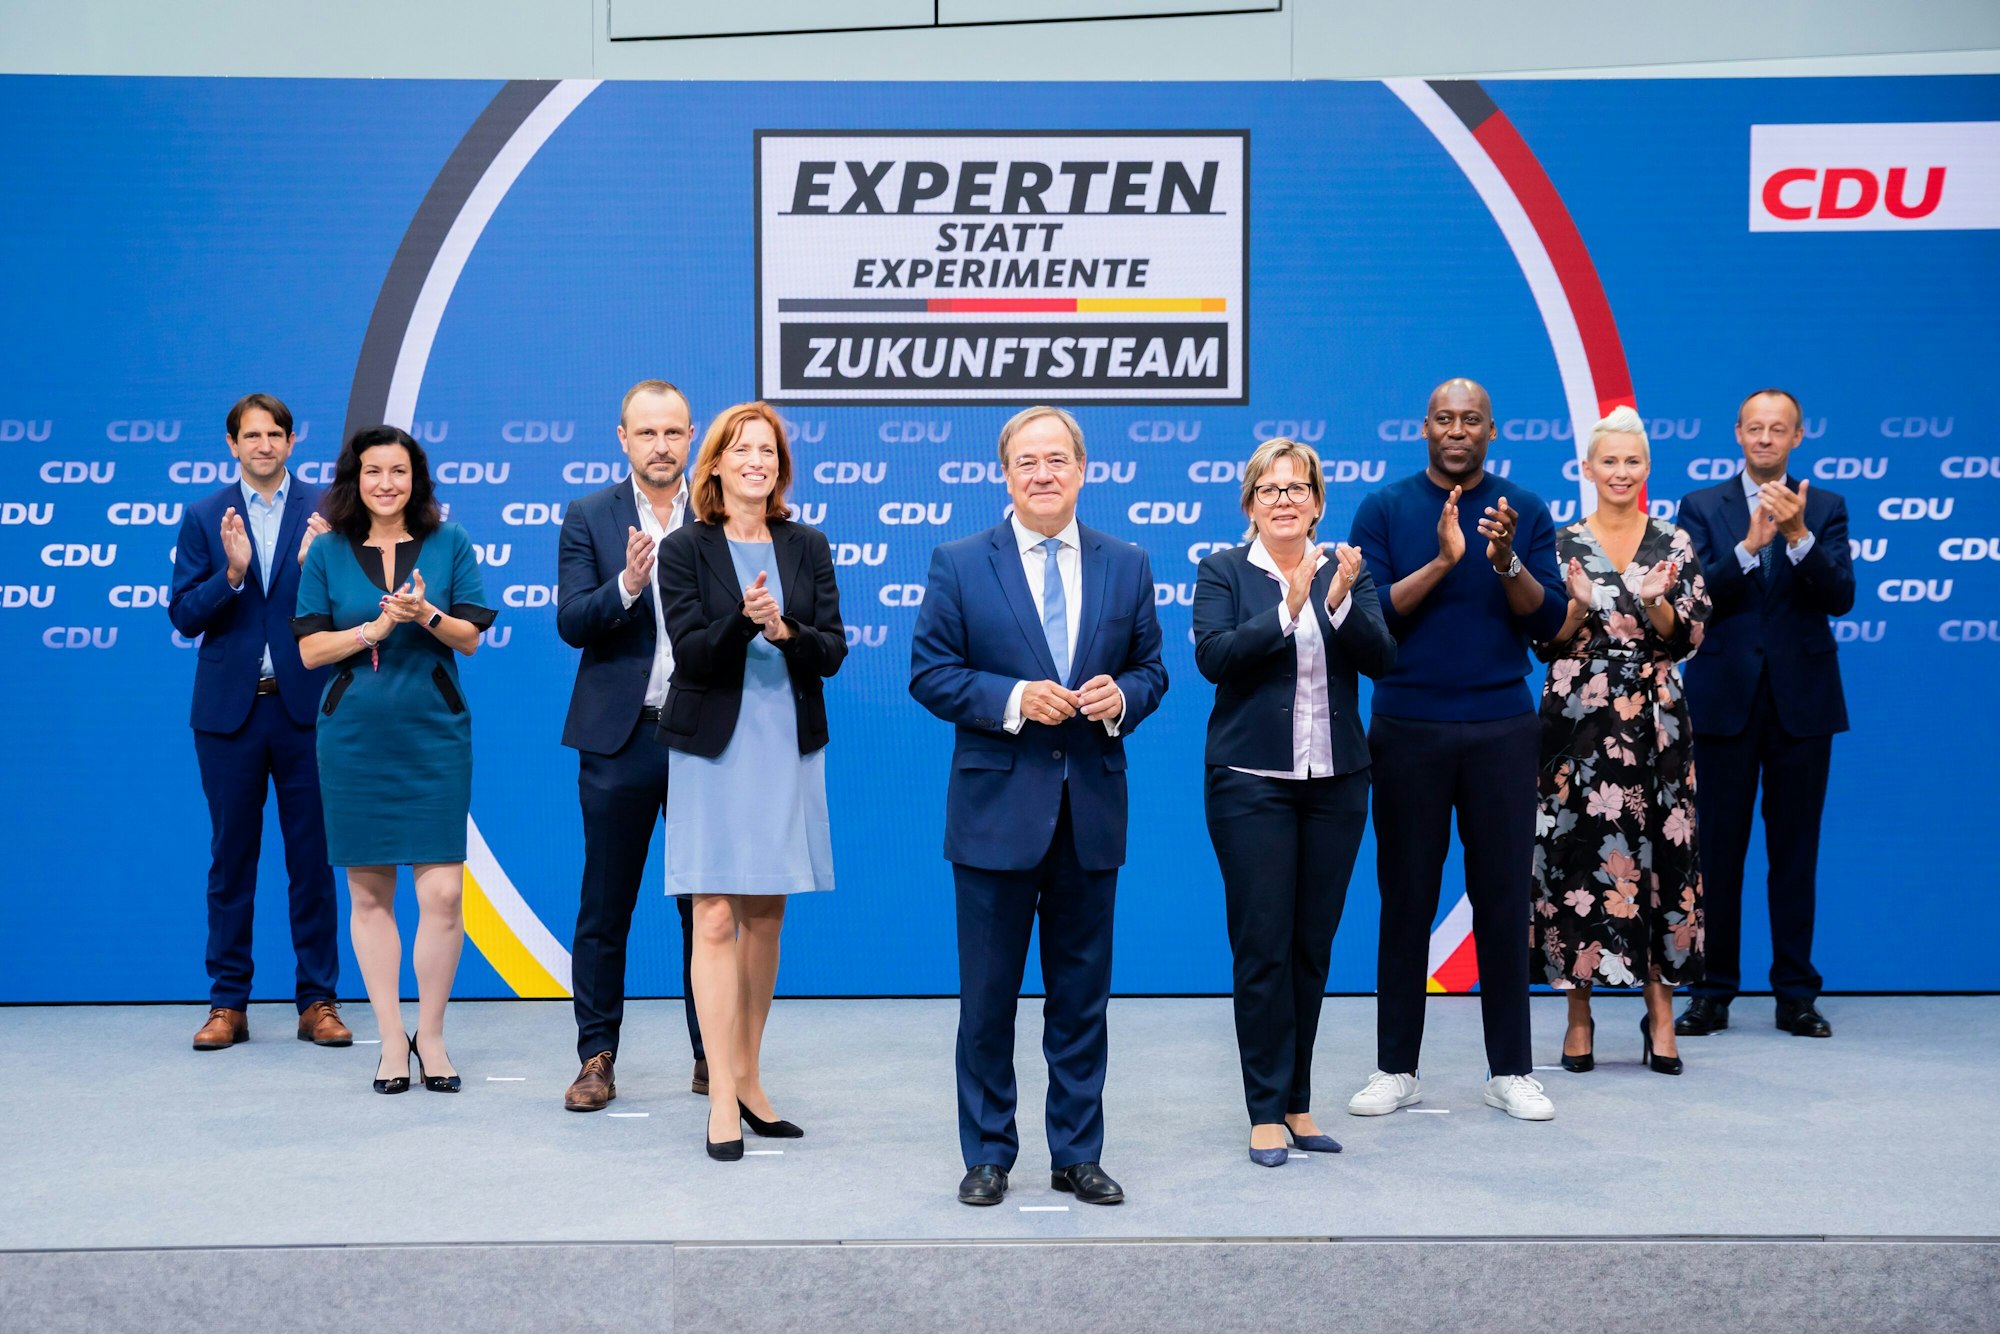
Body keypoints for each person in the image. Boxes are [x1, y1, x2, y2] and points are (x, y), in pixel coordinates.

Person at [910, 405, 1168, 1208]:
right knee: (987, 1001)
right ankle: (988, 1153)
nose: (1044, 473)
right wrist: (1017, 696)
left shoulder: (1127, 563)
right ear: (1006, 474)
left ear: (1084, 470)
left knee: (1081, 1000)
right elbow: (929, 673)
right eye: (1028, 461)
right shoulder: (958, 562)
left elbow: (1155, 670)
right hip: (994, 817)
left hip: (1090, 813)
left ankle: (1076, 1153)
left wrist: (1121, 694)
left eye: (1058, 459)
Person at [1346, 378, 1566, 1122]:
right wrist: (1444, 560)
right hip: (1407, 726)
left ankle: (1510, 1069)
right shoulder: (1384, 508)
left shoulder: (1524, 510)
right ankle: (1394, 1067)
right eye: (1445, 418)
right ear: (1425, 428)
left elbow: (1554, 623)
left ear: (1491, 431)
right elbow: (1368, 616)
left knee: (1504, 899)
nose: (1457, 430)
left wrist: (1504, 561)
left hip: (1503, 727)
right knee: (1404, 898)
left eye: (1471, 419)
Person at [1194, 437, 1396, 1167]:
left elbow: (1383, 659)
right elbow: (1214, 657)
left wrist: (1337, 604)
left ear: (1317, 500)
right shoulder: (1223, 571)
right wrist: (1286, 609)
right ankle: (1263, 1111)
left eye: (1298, 488)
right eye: (1270, 489)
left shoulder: (1345, 569)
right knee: (1262, 951)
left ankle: (1298, 1103)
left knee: (1312, 950)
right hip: (1250, 785)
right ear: (1250, 504)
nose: (1285, 499)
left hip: (1336, 784)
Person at [654, 402, 845, 1160]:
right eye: (743, 450)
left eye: (768, 451)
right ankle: (721, 1096)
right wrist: (744, 619)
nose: (757, 462)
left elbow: (830, 650)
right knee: (711, 914)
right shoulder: (684, 548)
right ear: (718, 464)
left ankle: (750, 1074)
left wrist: (784, 629)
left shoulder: (808, 544)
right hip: (710, 750)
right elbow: (694, 655)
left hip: (784, 743)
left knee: (765, 913)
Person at [291, 425, 495, 1094]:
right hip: (352, 738)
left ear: (417, 478)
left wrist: (425, 615)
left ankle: (430, 1037)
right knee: (368, 892)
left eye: (399, 471)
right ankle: (390, 1042)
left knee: (441, 892)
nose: (386, 483)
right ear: (356, 478)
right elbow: (310, 652)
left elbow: (469, 638)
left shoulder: (449, 542)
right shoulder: (326, 551)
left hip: (432, 735)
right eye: (374, 471)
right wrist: (373, 630)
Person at [1529, 408, 1711, 1075]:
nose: (1620, 472)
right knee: (1578, 860)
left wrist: (1659, 604)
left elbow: (1689, 637)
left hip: (1657, 722)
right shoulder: (1561, 542)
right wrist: (1574, 607)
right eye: (1609, 461)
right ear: (1587, 468)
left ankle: (1659, 1010)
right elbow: (1540, 637)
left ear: (1647, 469)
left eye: (1632, 461)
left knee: (1663, 857)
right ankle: (1578, 1016)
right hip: (1577, 724)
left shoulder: (1674, 541)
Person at [168, 394, 346, 1051]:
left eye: (275, 434)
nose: (264, 444)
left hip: (307, 712)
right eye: (252, 435)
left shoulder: (328, 514)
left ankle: (318, 1001)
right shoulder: (204, 516)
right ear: (232, 444)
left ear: (293, 441)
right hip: (228, 717)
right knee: (230, 861)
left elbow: (353, 609)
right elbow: (184, 614)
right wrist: (234, 575)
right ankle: (227, 1004)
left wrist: (319, 567)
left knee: (313, 863)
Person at [1674, 389, 1854, 1040]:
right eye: (1756, 429)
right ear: (1738, 435)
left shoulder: (1826, 507)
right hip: (1724, 701)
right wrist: (1748, 549)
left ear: (1799, 437)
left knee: (1795, 853)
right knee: (1717, 856)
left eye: (1780, 430)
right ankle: (1712, 991)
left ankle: (1796, 995)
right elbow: (1691, 597)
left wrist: (1800, 537)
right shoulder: (1702, 507)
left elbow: (1842, 597)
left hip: (1803, 705)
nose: (1766, 440)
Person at [556, 380, 707, 1113]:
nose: (661, 446)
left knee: (706, 906)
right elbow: (572, 621)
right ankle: (596, 1058)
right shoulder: (590, 516)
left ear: (691, 437)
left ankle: (713, 1057)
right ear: (623, 438)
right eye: (646, 433)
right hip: (619, 739)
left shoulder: (719, 515)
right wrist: (627, 582)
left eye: (673, 432)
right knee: (605, 907)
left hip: (705, 738)